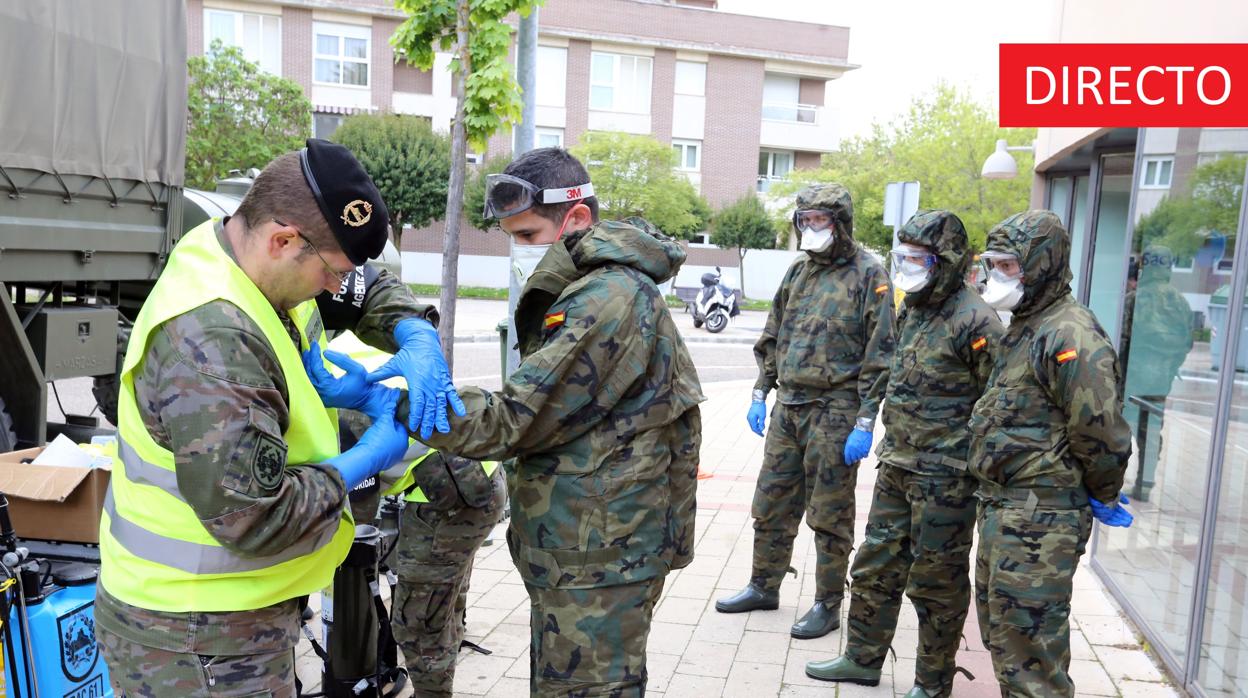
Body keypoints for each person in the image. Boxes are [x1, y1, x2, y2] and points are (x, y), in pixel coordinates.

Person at [317, 147, 704, 697]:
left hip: (605, 556)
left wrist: (390, 402)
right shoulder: (589, 286)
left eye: (526, 235)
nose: (519, 251)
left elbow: (514, 418)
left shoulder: (608, 299)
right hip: (583, 542)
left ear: (577, 220)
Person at [95, 139, 459, 697]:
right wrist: (361, 460)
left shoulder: (243, 251)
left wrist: (413, 329)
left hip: (232, 616)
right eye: (331, 271)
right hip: (194, 631)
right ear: (283, 239)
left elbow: (367, 289)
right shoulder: (213, 342)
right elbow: (254, 518)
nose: (337, 287)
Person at [804, 210, 1002, 696]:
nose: (907, 265)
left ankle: (931, 682)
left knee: (936, 583)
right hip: (897, 465)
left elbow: (997, 402)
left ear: (947, 261)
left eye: (918, 257)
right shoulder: (914, 305)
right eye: (903, 255)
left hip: (946, 477)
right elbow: (892, 368)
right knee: (875, 565)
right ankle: (861, 659)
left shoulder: (977, 320)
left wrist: (970, 462)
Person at [716, 183, 895, 641]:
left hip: (835, 411)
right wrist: (761, 391)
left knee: (830, 514)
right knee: (772, 502)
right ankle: (763, 584)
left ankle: (828, 602)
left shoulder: (869, 275)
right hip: (789, 406)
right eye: (805, 220)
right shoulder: (799, 272)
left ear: (840, 224)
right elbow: (774, 331)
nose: (811, 228)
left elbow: (881, 353)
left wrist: (865, 419)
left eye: (820, 220)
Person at [969, 210, 1133, 696]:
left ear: (1041, 264)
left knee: (1032, 656)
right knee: (1005, 640)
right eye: (991, 264)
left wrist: (1104, 491)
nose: (993, 276)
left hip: (1042, 517)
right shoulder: (1027, 324)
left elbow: (1100, 430)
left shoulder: (1071, 333)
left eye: (1007, 266)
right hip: (1006, 510)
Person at [307, 333, 506, 698]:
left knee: (417, 622)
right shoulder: (329, 352)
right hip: (474, 473)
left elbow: (356, 514)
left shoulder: (328, 398)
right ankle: (446, 636)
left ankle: (432, 690)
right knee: (442, 601)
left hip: (450, 494)